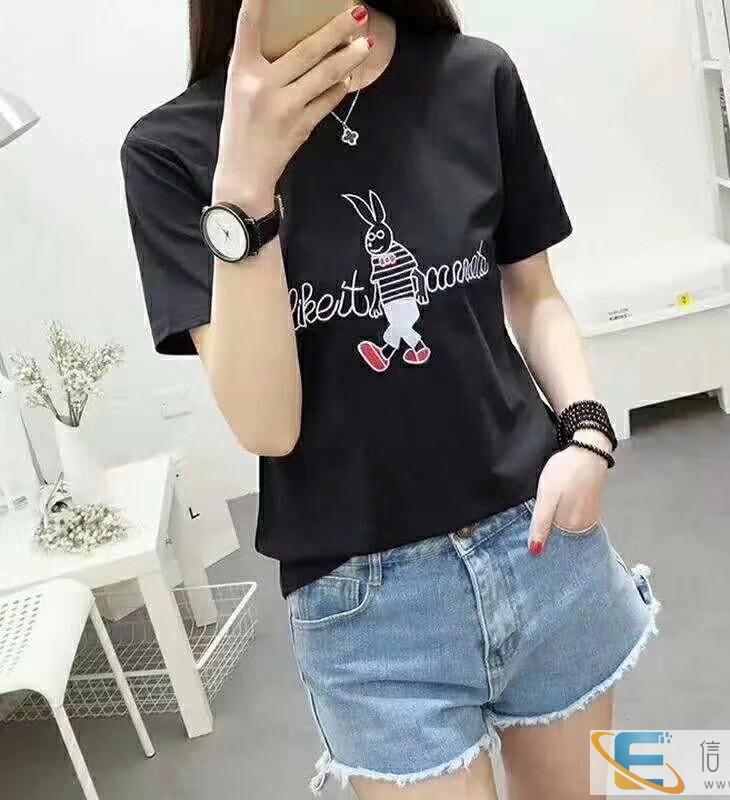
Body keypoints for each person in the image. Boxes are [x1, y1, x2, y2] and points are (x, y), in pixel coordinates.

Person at [121, 1, 659, 797]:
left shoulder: (474, 76)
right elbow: (268, 426)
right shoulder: (174, 151)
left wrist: (587, 435)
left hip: (541, 544)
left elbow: (534, 291)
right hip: (368, 612)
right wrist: (245, 187)